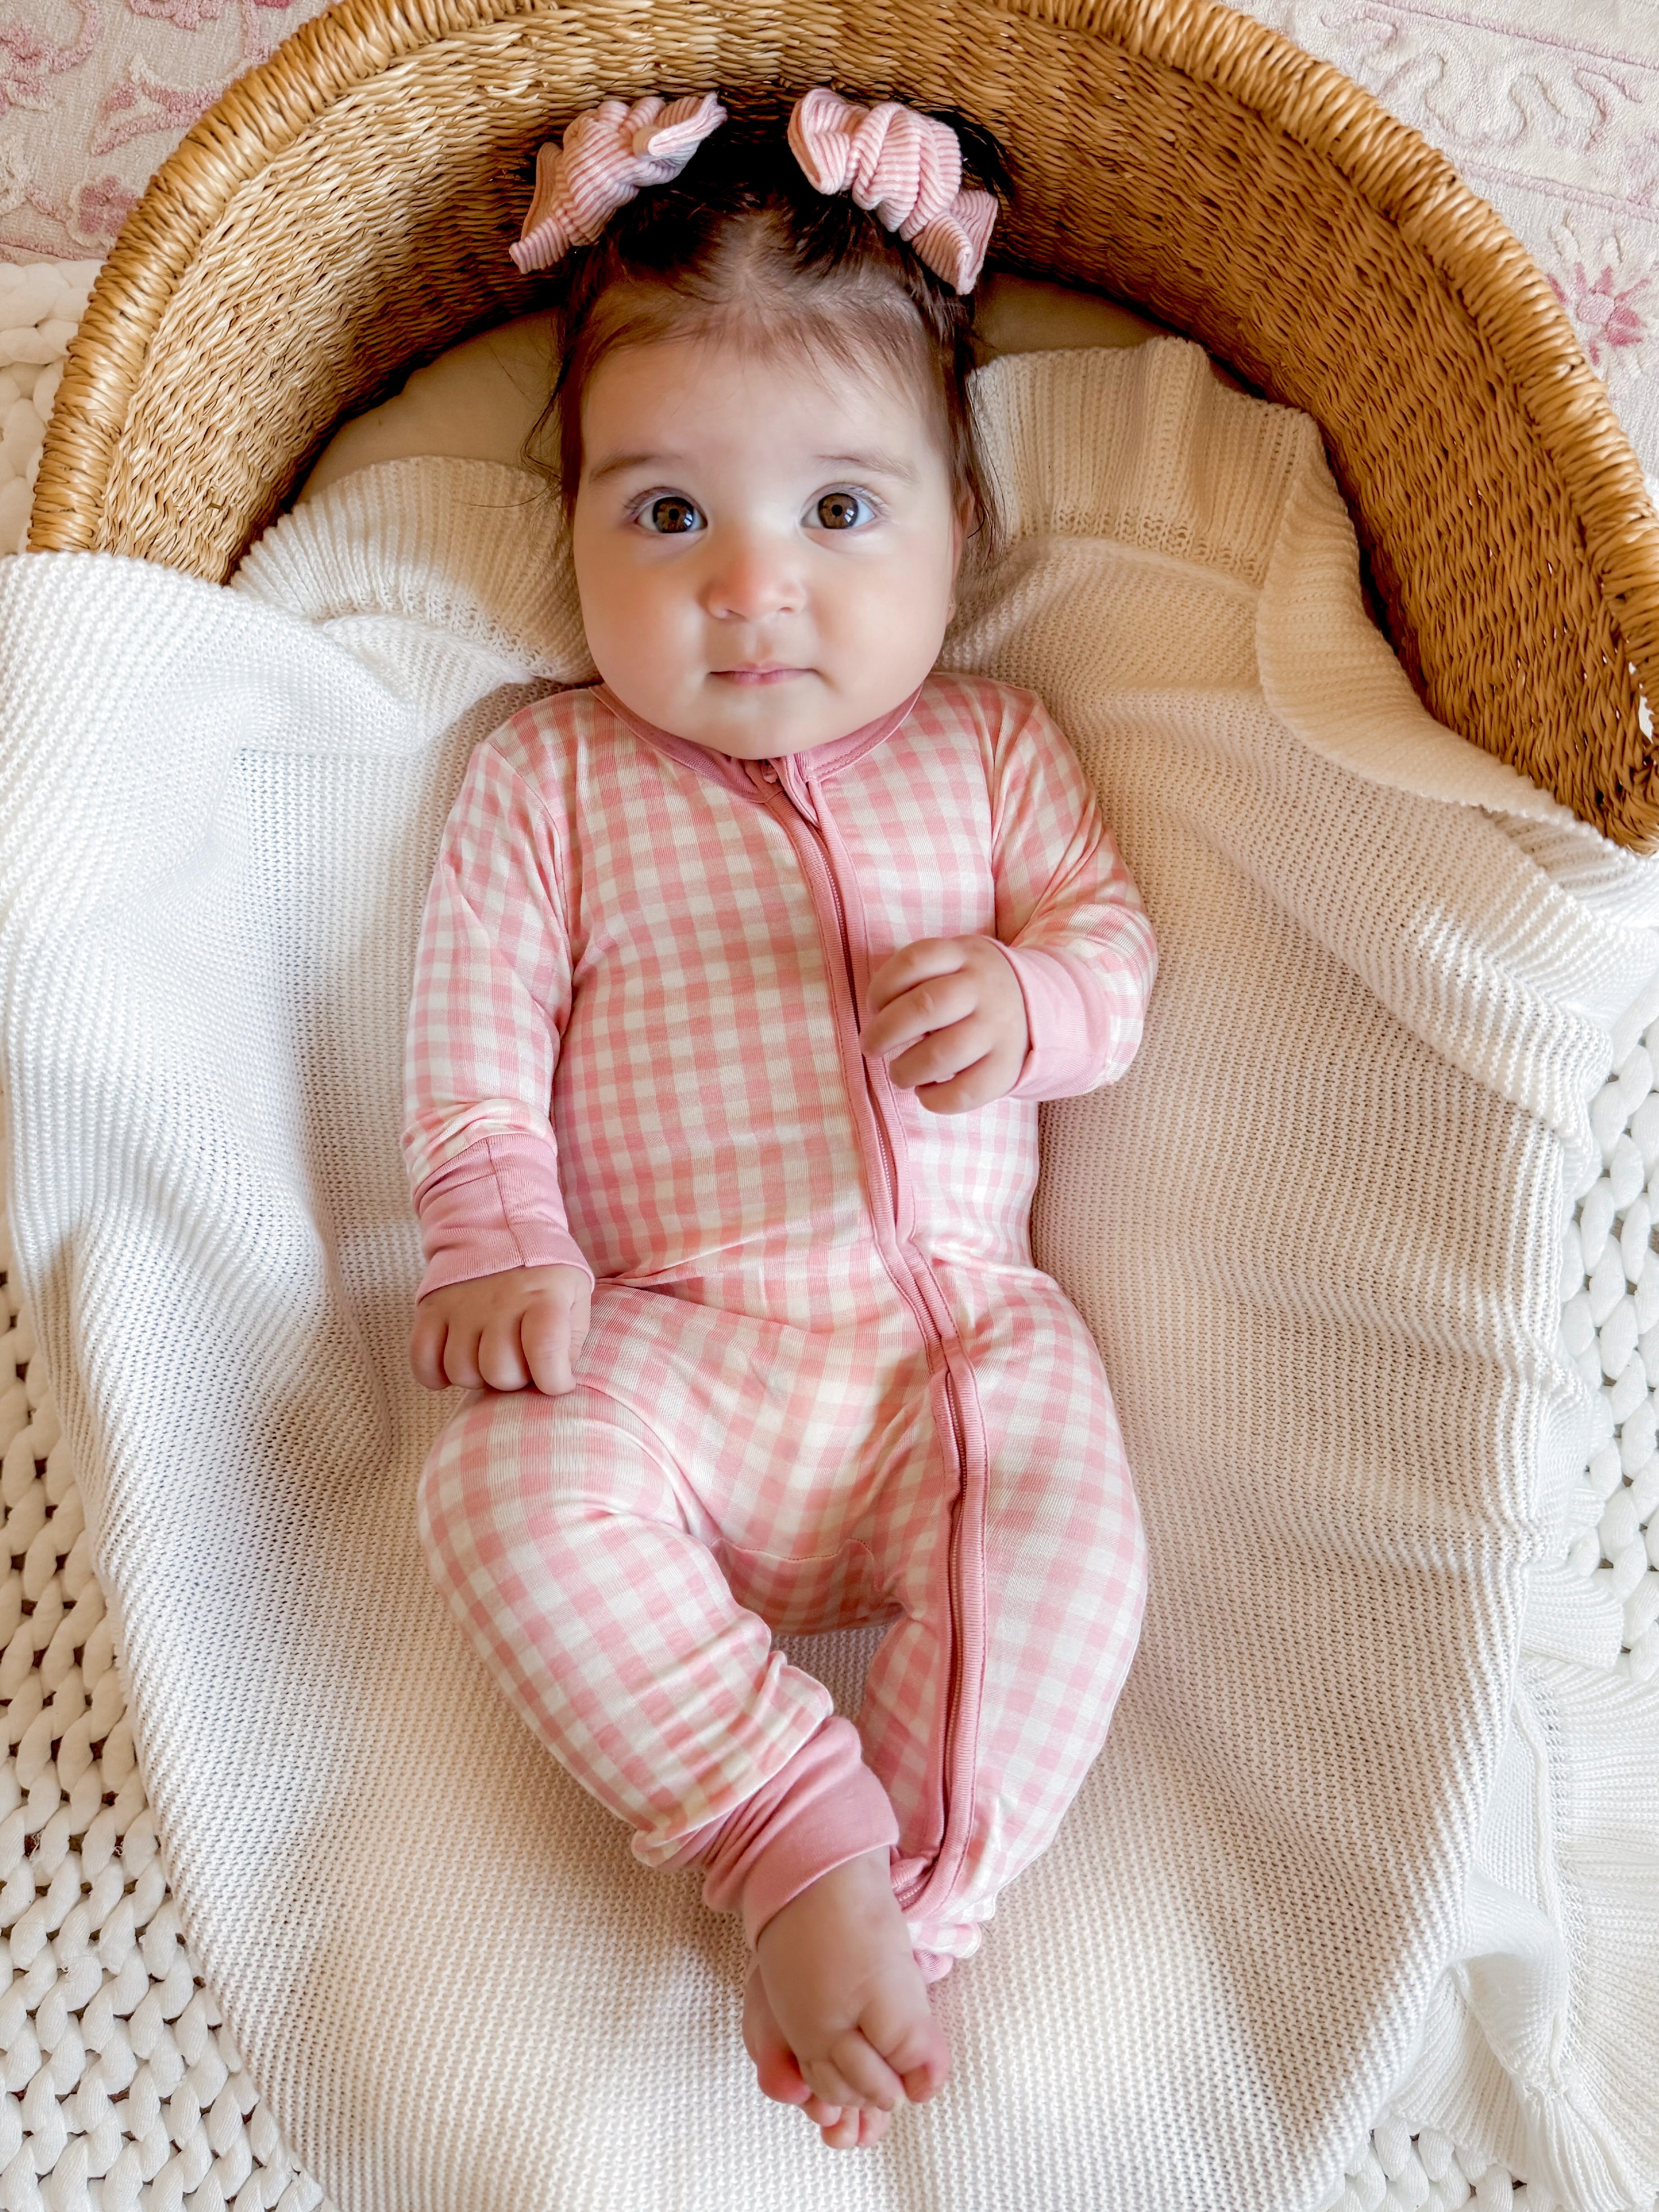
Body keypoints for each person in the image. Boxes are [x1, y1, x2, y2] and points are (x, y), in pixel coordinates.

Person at [402, 84, 1157, 2151]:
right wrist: (495, 1233)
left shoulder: (997, 752)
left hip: (951, 1349)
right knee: (493, 1487)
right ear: (566, 535)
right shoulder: (546, 780)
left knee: (1070, 1543)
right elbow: (471, 1029)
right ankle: (775, 1813)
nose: (753, 591)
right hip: (680, 1346)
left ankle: (907, 1897)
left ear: (958, 529)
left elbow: (1112, 951)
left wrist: (1029, 1004)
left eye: (839, 513)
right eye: (666, 516)